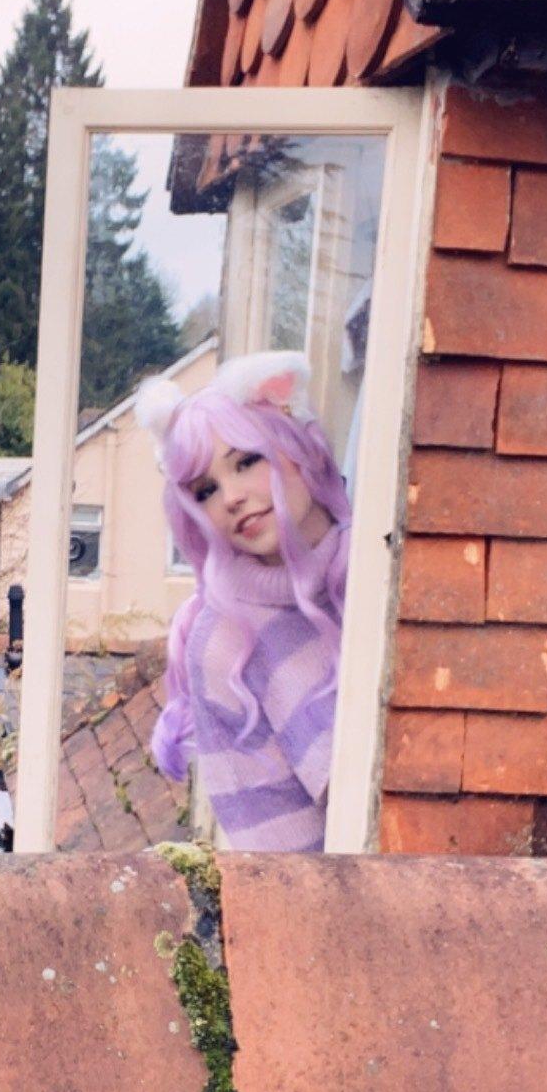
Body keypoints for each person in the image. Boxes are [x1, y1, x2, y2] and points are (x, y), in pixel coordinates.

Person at [137, 351, 350, 853]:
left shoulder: (383, 566)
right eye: (206, 490)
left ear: (297, 449)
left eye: (246, 462)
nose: (230, 498)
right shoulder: (225, 642)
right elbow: (279, 857)